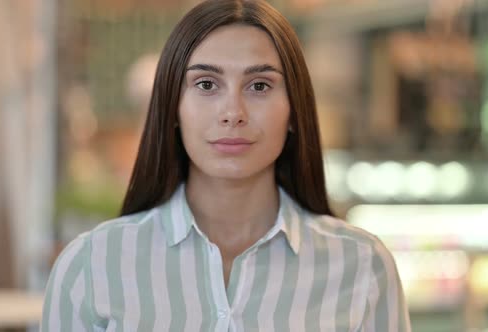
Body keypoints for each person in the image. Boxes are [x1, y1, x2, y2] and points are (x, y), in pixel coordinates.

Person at [41, 0, 411, 331]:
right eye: (206, 84)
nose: (233, 112)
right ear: (172, 107)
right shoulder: (92, 266)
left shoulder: (362, 266)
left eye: (260, 86)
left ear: (295, 110)